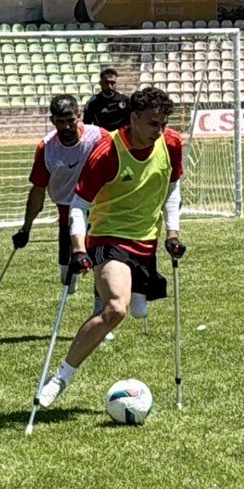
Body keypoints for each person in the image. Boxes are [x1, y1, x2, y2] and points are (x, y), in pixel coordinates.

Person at [35, 86, 187, 409]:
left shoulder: (172, 143)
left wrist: (172, 232)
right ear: (133, 118)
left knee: (138, 310)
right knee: (116, 307)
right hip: (108, 237)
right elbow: (78, 206)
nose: (158, 131)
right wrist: (78, 248)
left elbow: (172, 188)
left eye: (163, 124)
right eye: (151, 124)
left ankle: (119, 297)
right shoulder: (107, 152)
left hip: (146, 241)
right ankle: (61, 376)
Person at [12, 94, 106, 285]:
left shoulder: (99, 137)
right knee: (67, 281)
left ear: (79, 115)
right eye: (60, 122)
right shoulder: (46, 148)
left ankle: (101, 307)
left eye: (70, 120)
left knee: (102, 268)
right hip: (66, 209)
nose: (66, 127)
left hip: (100, 209)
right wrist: (26, 228)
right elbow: (38, 190)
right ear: (52, 120)